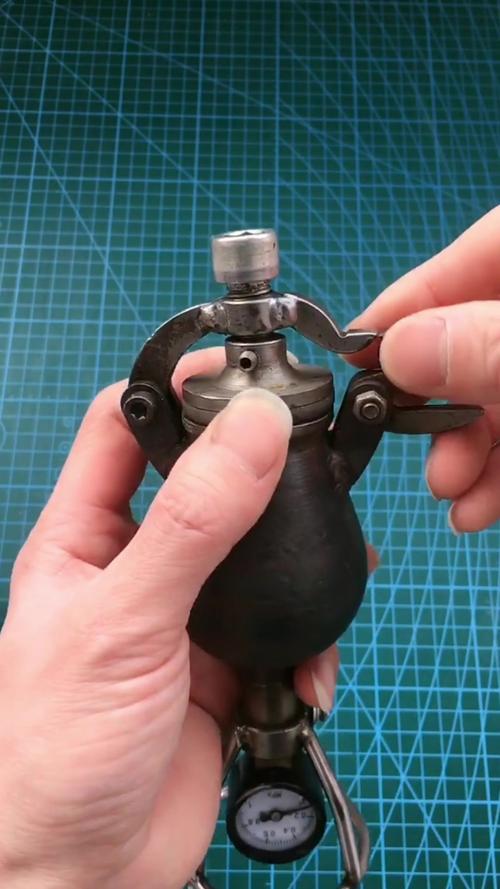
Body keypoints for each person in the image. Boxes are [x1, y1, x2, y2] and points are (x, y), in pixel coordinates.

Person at [0, 206, 498, 889]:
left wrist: (36, 864)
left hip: (236, 618)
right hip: (314, 594)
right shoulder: (314, 554)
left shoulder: (220, 615)